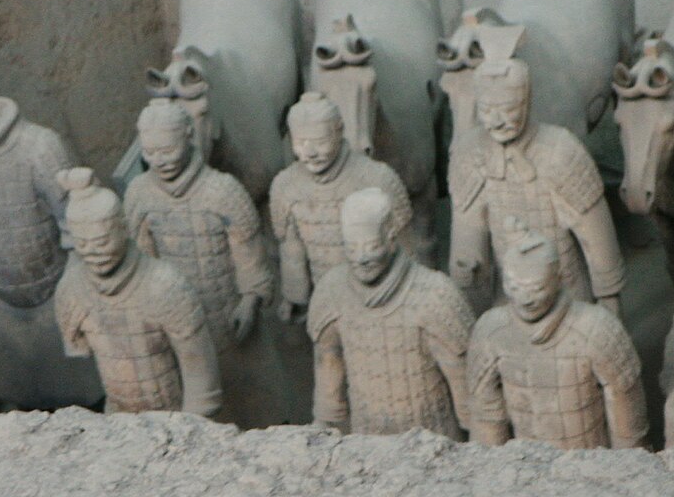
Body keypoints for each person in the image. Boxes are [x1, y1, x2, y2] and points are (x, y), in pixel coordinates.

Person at [123, 98, 285, 427]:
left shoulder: (223, 191)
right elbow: (143, 263)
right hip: (177, 324)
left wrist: (251, 299)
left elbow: (248, 251)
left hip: (229, 316)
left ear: (189, 138)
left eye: (167, 150)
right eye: (150, 153)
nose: (160, 161)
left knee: (258, 410)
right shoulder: (139, 195)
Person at [449, 25, 625, 315]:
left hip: (567, 294)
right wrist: (466, 277)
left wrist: (610, 302)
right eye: (487, 110)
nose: (497, 121)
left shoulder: (560, 150)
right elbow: (468, 238)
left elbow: (596, 235)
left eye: (508, 109)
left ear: (526, 102)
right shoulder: (470, 154)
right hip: (509, 294)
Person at [0, 96, 102, 409]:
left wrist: (75, 273)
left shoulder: (40, 146)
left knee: (83, 389)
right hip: (2, 291)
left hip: (55, 285)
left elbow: (68, 213)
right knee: (22, 389)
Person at [307, 188, 474, 439]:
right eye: (352, 248)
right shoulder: (332, 292)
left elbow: (464, 384)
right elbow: (329, 376)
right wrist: (324, 434)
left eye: (371, 246)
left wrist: (478, 441)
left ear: (391, 238)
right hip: (366, 439)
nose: (361, 258)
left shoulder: (434, 295)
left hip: (433, 439)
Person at [467, 218, 648, 449]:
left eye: (537, 288)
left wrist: (625, 471)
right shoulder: (490, 331)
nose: (525, 299)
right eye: (514, 287)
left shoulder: (597, 329)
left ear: (559, 279)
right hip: (525, 466)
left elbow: (627, 422)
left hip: (587, 464)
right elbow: (486, 418)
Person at [55, 167, 221, 416]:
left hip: (173, 417)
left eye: (101, 241)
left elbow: (200, 375)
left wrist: (191, 427)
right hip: (117, 419)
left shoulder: (165, 285)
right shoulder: (71, 290)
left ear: (123, 228)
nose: (93, 252)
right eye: (82, 243)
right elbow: (79, 351)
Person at [270, 92, 413, 322]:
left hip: (379, 298)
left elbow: (405, 246)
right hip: (324, 302)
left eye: (320, 142)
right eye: (300, 143)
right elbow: (291, 249)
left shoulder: (376, 178)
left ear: (339, 131)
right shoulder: (285, 186)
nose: (310, 153)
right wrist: (295, 297)